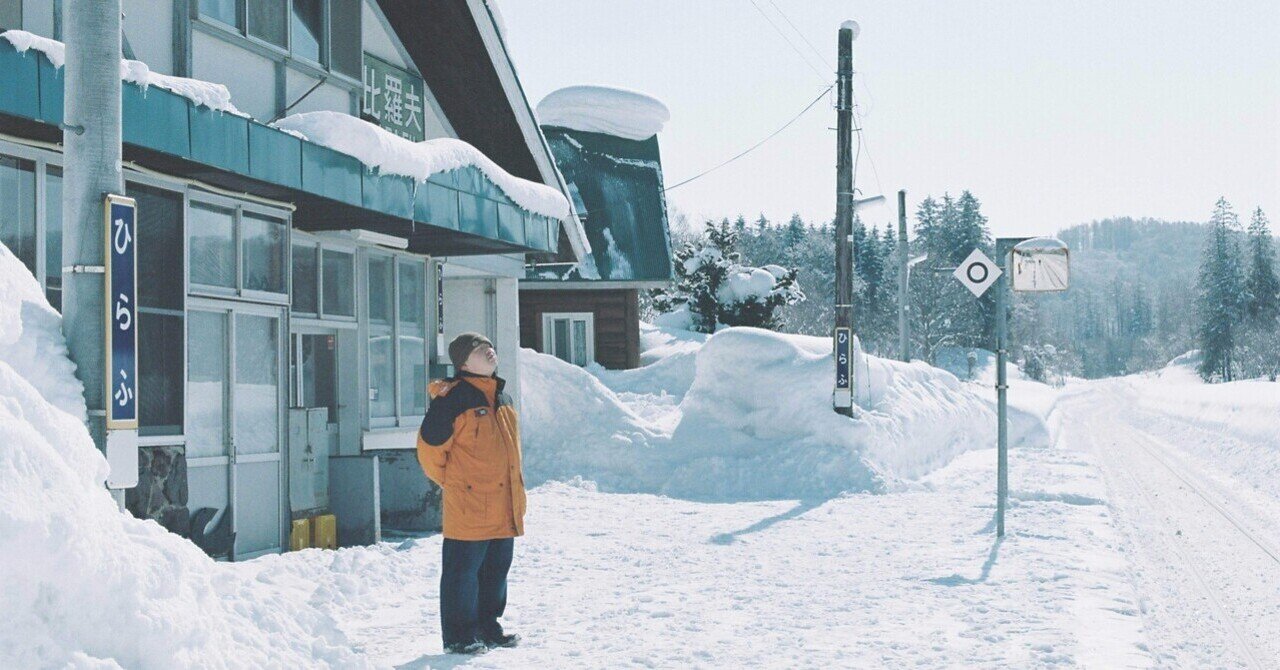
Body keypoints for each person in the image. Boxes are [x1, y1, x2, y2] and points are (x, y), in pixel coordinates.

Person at [416, 332, 527, 655]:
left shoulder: (502, 398)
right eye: (479, 348)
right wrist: (456, 483)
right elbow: (429, 451)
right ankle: (459, 636)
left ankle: (487, 627)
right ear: (463, 362)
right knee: (462, 574)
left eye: (490, 345)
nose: (489, 350)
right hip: (470, 505)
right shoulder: (453, 399)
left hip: (504, 503)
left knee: (495, 571)